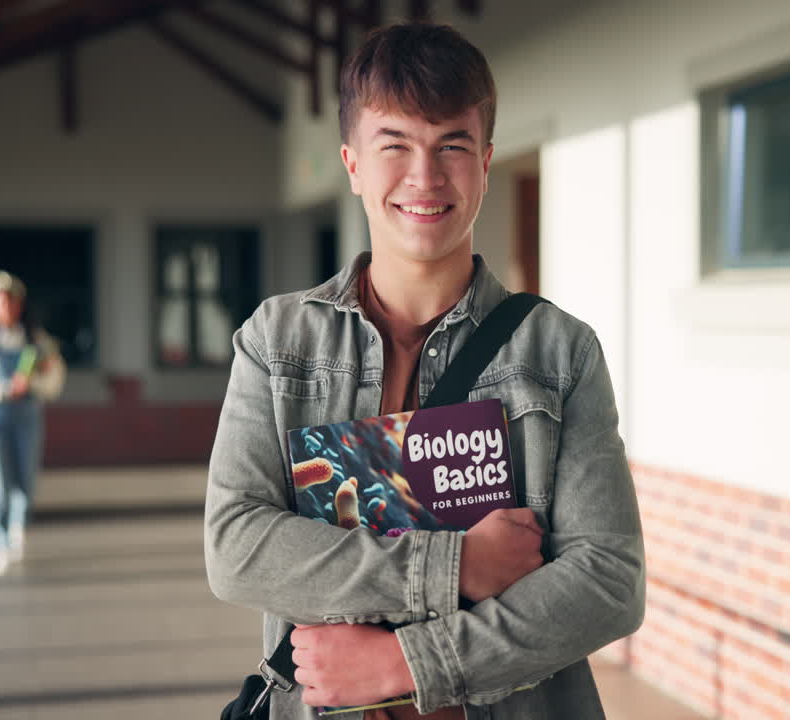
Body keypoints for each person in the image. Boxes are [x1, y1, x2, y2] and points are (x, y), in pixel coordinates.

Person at [205, 22, 644, 719]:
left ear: (486, 161)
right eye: (395, 146)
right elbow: (237, 547)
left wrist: (405, 663)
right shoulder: (277, 341)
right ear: (351, 163)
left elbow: (609, 581)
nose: (426, 176)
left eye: (453, 145)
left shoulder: (559, 352)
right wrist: (454, 567)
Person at [0, 271, 66, 576]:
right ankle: (0, 540)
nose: (5, 307)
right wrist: (6, 388)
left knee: (25, 478)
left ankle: (18, 527)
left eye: (10, 300)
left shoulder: (36, 339)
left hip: (27, 415)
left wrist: (37, 378)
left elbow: (55, 379)